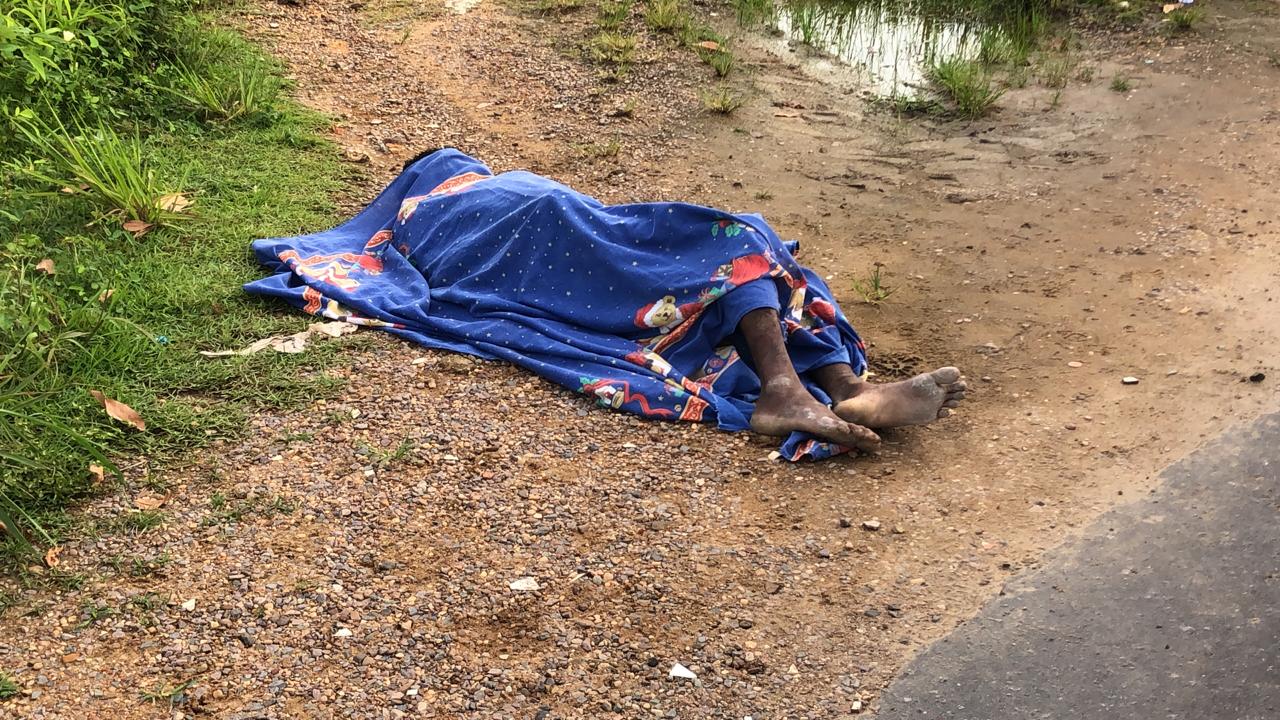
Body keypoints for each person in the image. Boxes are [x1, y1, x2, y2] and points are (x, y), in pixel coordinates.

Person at [245, 149, 965, 461]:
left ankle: (844, 388)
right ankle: (800, 385)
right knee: (735, 240)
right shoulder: (435, 200)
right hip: (539, 239)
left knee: (749, 242)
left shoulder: (440, 204)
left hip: (568, 228)